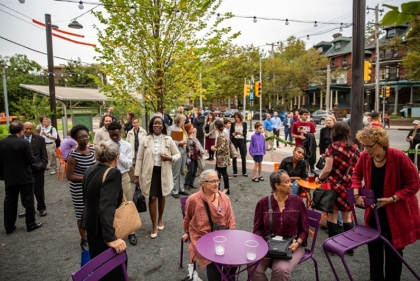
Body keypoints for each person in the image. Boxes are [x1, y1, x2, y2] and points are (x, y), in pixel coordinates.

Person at [352, 126, 420, 281]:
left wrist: (393, 198)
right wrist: (356, 192)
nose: (366, 149)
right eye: (364, 145)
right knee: (374, 250)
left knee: (394, 252)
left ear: (381, 142)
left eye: (369, 146)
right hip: (375, 213)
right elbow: (356, 174)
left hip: (395, 213)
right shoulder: (365, 156)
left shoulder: (398, 156)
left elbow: (414, 184)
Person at [248, 169, 309, 281]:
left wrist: (298, 242)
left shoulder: (298, 202)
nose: (291, 184)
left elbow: (304, 229)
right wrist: (263, 245)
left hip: (292, 244)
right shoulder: (263, 203)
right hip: (268, 243)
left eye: (290, 181)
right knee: (252, 266)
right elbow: (257, 229)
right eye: (287, 182)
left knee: (280, 269)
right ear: (277, 185)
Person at [81, 141, 127, 281]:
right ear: (116, 158)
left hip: (91, 226)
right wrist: (111, 238)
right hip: (103, 229)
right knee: (115, 269)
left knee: (99, 268)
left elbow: (86, 197)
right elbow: (106, 206)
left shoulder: (90, 169)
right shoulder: (113, 173)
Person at [182, 169, 236, 280]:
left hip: (223, 235)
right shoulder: (193, 200)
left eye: (218, 180)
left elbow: (231, 218)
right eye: (212, 181)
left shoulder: (225, 198)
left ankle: (227, 276)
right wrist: (187, 232)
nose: (216, 184)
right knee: (213, 262)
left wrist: (231, 235)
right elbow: (188, 218)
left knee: (234, 260)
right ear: (202, 182)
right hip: (202, 237)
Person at [315, 121, 360, 255]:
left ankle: (333, 247)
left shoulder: (332, 147)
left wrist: (319, 178)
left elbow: (327, 169)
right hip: (349, 186)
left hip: (334, 186)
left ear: (335, 132)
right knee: (347, 217)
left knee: (332, 217)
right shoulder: (356, 148)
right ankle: (349, 247)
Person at [134, 116, 181, 238]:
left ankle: (160, 218)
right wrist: (136, 175)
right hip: (150, 172)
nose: (157, 126)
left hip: (163, 171)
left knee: (162, 195)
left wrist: (170, 158)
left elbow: (178, 154)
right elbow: (139, 158)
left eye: (159, 124)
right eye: (155, 123)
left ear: (162, 126)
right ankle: (154, 224)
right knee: (152, 197)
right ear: (151, 125)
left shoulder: (168, 139)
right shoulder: (145, 139)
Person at [0, 121, 42, 234]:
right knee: (28, 200)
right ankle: (30, 224)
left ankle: (9, 226)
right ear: (20, 131)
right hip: (25, 176)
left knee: (9, 201)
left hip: (9, 176)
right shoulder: (23, 143)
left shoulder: (1, 143)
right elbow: (30, 160)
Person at [106, 121, 137, 246]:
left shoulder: (127, 145)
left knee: (128, 202)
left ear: (121, 133)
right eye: (112, 135)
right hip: (109, 176)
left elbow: (128, 164)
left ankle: (131, 231)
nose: (114, 138)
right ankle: (114, 231)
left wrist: (118, 154)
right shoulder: (106, 145)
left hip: (123, 176)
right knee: (111, 204)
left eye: (117, 135)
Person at [66, 124, 96, 250]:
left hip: (92, 187)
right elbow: (70, 176)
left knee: (93, 211)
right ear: (76, 139)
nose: (84, 139)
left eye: (85, 136)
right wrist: (86, 177)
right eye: (80, 137)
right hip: (79, 189)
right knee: (81, 214)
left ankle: (93, 235)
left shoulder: (93, 151)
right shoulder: (73, 156)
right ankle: (84, 239)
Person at [22, 122, 48, 217]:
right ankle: (28, 209)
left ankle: (41, 208)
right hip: (24, 170)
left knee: (39, 190)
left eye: (30, 128)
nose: (28, 130)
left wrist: (43, 165)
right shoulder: (19, 140)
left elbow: (44, 154)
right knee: (26, 191)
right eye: (26, 128)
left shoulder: (39, 139)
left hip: (37, 168)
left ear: (33, 129)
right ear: (23, 129)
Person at [167, 114, 189, 199]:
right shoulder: (171, 128)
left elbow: (186, 139)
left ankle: (181, 189)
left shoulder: (182, 128)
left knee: (182, 171)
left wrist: (188, 150)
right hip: (176, 152)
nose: (184, 122)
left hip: (183, 152)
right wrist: (178, 143)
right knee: (175, 171)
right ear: (179, 120)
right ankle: (174, 190)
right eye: (183, 120)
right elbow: (169, 140)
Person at [211, 119, 231, 195]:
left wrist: (214, 148)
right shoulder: (222, 134)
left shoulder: (221, 135)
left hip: (222, 158)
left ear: (216, 127)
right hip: (223, 157)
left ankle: (226, 188)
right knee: (221, 172)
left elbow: (222, 148)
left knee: (222, 173)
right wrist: (216, 146)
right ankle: (221, 188)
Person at [184, 124, 204, 190]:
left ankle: (191, 183)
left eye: (192, 128)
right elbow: (187, 145)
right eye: (191, 128)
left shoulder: (192, 135)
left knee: (194, 170)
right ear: (188, 130)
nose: (192, 129)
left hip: (195, 155)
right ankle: (186, 184)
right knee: (190, 170)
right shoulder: (185, 136)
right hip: (190, 155)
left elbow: (196, 142)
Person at [230, 112, 248, 177]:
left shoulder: (244, 124)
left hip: (241, 140)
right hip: (235, 140)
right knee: (234, 156)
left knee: (243, 156)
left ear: (240, 117)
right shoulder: (233, 124)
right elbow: (231, 133)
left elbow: (245, 132)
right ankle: (235, 172)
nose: (236, 118)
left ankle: (244, 171)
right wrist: (234, 133)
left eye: (238, 117)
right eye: (235, 117)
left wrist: (241, 133)